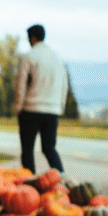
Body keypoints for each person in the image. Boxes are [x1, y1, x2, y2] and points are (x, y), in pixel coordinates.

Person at [14, 24, 69, 175]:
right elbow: (64, 85)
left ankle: (29, 182)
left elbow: (21, 85)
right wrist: (60, 107)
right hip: (52, 110)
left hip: (31, 108)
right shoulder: (57, 58)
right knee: (49, 148)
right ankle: (61, 177)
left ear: (32, 38)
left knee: (27, 149)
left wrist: (18, 107)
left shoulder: (28, 57)